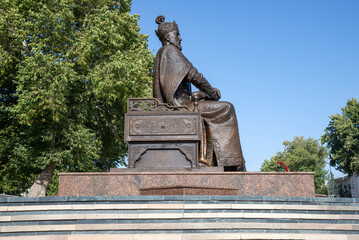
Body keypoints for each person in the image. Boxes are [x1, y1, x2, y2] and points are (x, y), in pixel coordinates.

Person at [153, 15, 246, 171]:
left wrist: (202, 95)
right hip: (181, 107)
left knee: (215, 108)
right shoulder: (170, 51)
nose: (180, 38)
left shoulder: (162, 53)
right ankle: (230, 162)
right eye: (177, 35)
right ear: (168, 37)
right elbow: (196, 77)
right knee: (227, 108)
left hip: (183, 104)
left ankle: (213, 159)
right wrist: (212, 93)